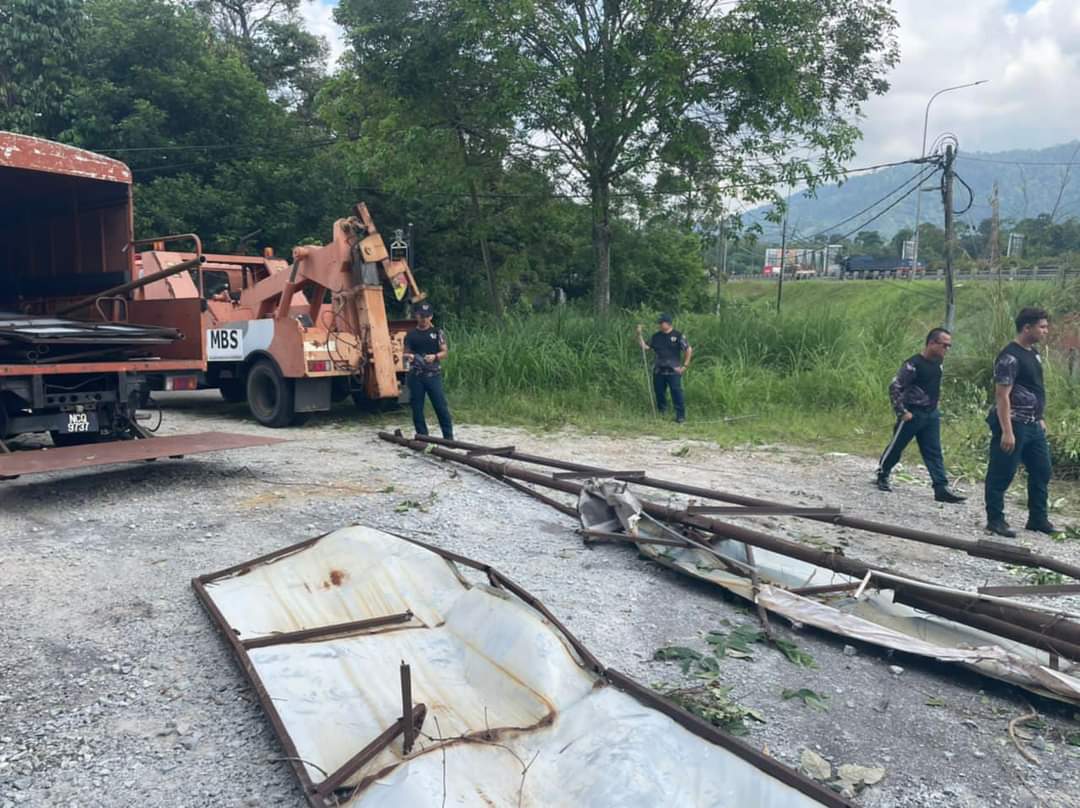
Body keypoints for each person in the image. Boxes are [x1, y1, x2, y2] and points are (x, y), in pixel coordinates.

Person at [984, 307, 1054, 538]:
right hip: (1014, 422)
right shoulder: (1010, 356)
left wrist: (1040, 417)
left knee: (1042, 470)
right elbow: (1002, 395)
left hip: (1033, 424)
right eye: (1042, 327)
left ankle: (1038, 518)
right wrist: (1007, 431)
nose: (1046, 331)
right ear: (1027, 328)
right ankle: (995, 519)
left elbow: (1035, 388)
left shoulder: (1033, 353)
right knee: (1002, 472)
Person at [875, 328, 966, 503]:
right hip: (912, 413)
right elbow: (895, 387)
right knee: (897, 447)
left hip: (931, 415)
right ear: (932, 343)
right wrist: (902, 412)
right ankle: (882, 474)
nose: (946, 349)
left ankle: (941, 487)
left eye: (949, 346)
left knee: (934, 451)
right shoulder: (913, 364)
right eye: (944, 345)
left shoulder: (938, 364)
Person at [403, 301, 453, 440]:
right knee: (417, 408)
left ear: (431, 316)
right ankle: (422, 437)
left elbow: (445, 352)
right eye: (421, 316)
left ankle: (448, 437)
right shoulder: (411, 335)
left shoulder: (437, 333)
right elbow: (405, 353)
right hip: (416, 375)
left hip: (433, 375)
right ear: (417, 316)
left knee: (441, 406)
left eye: (426, 316)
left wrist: (435, 356)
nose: (424, 319)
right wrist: (411, 356)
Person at [636, 314, 693, 423]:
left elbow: (688, 349)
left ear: (668, 323)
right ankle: (662, 413)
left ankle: (680, 416)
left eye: (661, 323)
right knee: (659, 392)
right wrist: (639, 335)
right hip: (659, 369)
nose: (659, 325)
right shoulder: (656, 336)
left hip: (674, 369)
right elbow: (645, 347)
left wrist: (685, 366)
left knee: (676, 392)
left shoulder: (678, 335)